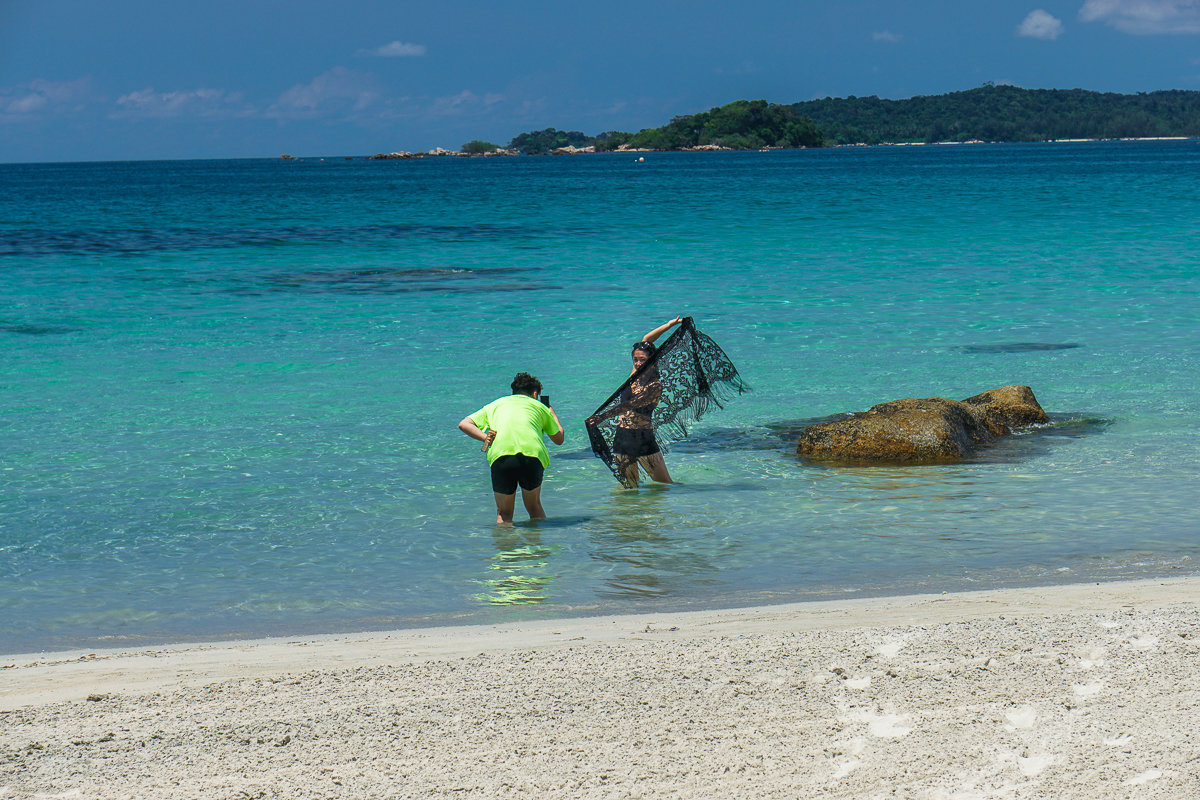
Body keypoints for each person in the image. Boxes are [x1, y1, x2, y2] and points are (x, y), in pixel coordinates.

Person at [459, 372, 564, 524]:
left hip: (502, 455)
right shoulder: (540, 407)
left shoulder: (495, 405)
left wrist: (485, 437)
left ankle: (506, 547)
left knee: (504, 514)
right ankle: (538, 546)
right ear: (535, 394)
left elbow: (464, 424)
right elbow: (559, 439)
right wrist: (552, 414)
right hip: (532, 455)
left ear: (513, 392)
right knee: (534, 508)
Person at [590, 316, 683, 487]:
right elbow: (646, 339)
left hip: (643, 439)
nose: (639, 363)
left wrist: (602, 417)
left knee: (666, 485)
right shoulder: (634, 375)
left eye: (643, 360)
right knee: (629, 488)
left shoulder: (655, 385)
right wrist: (669, 325)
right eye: (636, 360)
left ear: (652, 360)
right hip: (621, 438)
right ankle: (633, 514)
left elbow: (629, 405)